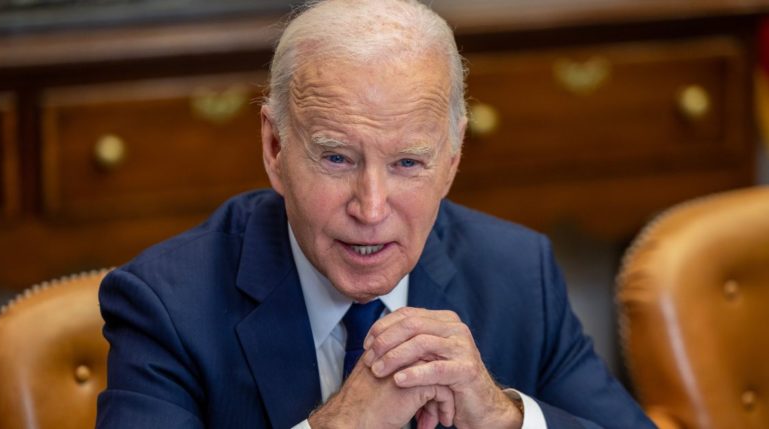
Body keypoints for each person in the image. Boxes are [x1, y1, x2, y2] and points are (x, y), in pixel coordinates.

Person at [96, 1, 656, 428]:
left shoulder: (516, 272)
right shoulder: (165, 304)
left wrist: (503, 416)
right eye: (337, 157)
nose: (370, 207)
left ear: (452, 158)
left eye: (408, 162)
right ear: (274, 148)